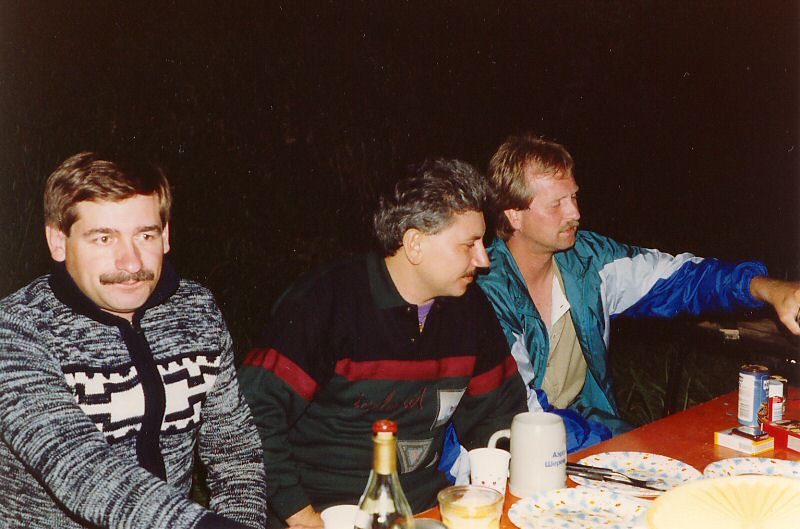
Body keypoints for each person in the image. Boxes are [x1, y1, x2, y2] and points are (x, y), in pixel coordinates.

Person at [238, 159, 528, 528]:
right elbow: (250, 415)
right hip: (325, 513)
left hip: (423, 512)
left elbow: (500, 417)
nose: (483, 260)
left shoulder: (470, 309)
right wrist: (299, 513)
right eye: (469, 244)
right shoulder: (325, 302)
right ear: (415, 244)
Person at [477, 133, 800, 452]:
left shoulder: (589, 262)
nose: (574, 212)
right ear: (513, 215)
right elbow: (520, 416)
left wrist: (766, 289)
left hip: (581, 430)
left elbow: (681, 279)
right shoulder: (486, 293)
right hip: (503, 451)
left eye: (574, 197)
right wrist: (620, 445)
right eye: (556, 204)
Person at [0, 152, 267, 529]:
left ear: (166, 235)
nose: (131, 262)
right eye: (103, 238)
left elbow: (235, 454)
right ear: (58, 242)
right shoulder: (17, 328)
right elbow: (82, 469)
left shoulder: (197, 312)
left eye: (145, 235)